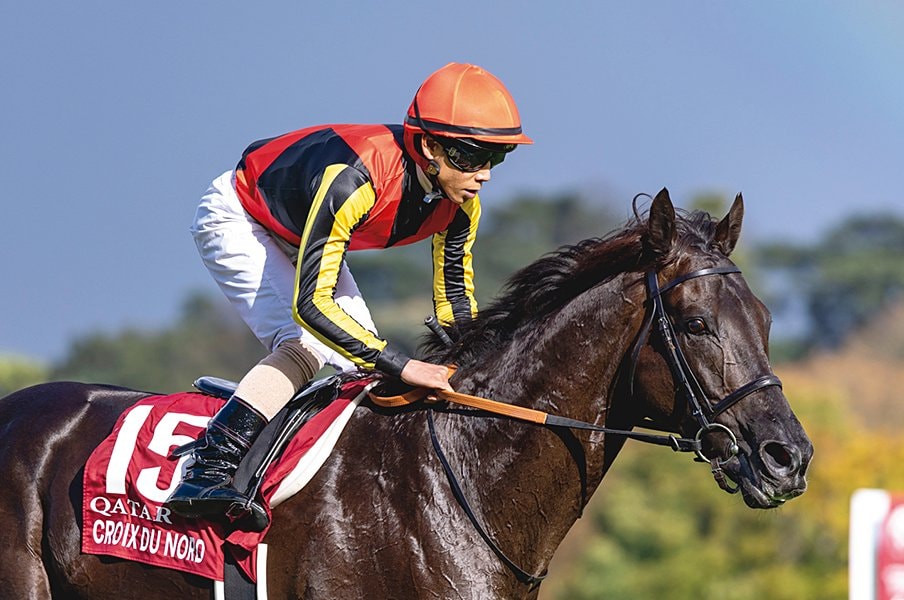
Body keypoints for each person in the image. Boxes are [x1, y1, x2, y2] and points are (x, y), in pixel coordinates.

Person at [164, 63, 532, 523]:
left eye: (495, 158)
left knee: (364, 369)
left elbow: (456, 303)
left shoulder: (462, 207)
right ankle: (208, 469)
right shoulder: (354, 181)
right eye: (470, 156)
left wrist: (476, 367)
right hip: (241, 216)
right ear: (429, 147)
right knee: (308, 343)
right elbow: (311, 306)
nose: (484, 175)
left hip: (299, 230)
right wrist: (405, 363)